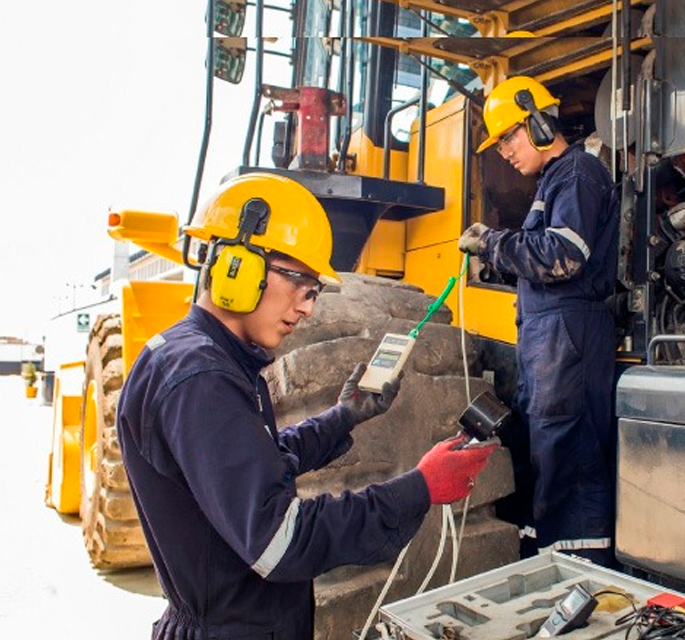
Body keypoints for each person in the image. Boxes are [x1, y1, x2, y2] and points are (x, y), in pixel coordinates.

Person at [117, 172, 496, 640]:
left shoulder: (202, 358)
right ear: (239, 266)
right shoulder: (203, 379)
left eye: (314, 291)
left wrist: (345, 415)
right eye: (301, 283)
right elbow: (280, 541)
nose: (308, 307)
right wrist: (421, 487)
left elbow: (257, 465)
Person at [458, 76, 619, 567]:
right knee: (545, 454)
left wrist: (492, 243)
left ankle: (578, 574)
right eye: (499, 142)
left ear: (541, 121)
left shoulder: (578, 174)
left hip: (568, 341)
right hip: (549, 343)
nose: (504, 151)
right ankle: (542, 559)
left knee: (569, 457)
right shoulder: (553, 183)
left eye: (509, 136)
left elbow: (564, 256)